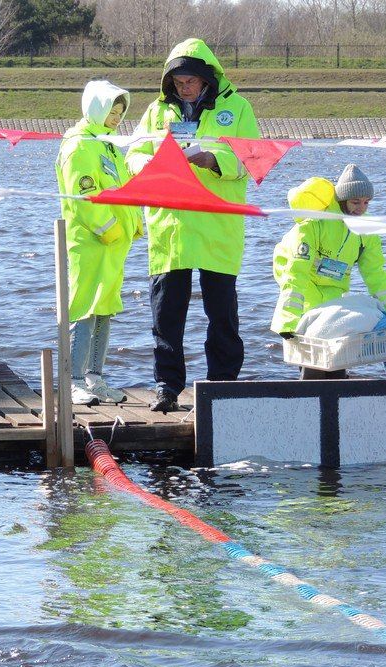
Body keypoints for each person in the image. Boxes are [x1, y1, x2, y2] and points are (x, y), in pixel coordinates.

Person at [126, 39, 259, 413]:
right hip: (172, 226)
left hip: (218, 226)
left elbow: (251, 157)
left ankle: (223, 386)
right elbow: (134, 153)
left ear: (207, 78)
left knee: (222, 314)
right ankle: (167, 388)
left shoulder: (238, 108)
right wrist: (153, 167)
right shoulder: (156, 112)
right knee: (166, 314)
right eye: (179, 81)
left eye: (191, 81)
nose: (185, 87)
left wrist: (211, 159)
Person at [271, 165, 386, 379]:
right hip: (305, 287)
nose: (361, 209)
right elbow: (295, 274)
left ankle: (333, 396)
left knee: (336, 356)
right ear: (343, 199)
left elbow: (376, 275)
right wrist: (288, 321)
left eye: (366, 202)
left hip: (334, 293)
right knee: (313, 353)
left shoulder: (366, 232)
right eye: (355, 202)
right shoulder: (314, 224)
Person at [55, 79, 143, 405]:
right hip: (90, 241)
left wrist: (135, 224)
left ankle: (96, 378)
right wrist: (106, 228)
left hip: (116, 244)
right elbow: (83, 194)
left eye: (121, 112)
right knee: (85, 308)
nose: (117, 118)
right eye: (112, 111)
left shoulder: (107, 145)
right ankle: (74, 380)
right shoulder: (78, 146)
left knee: (106, 309)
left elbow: (124, 189)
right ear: (97, 110)